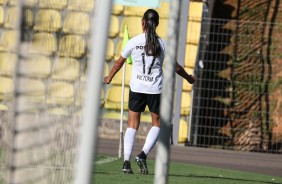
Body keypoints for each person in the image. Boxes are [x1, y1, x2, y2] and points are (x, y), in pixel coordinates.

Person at [104, 9, 195, 175]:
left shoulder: (134, 41)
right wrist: (188, 78)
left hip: (137, 88)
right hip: (155, 89)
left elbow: (118, 63)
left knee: (132, 125)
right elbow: (176, 67)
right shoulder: (163, 44)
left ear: (143, 23)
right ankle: (143, 154)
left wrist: (109, 77)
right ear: (157, 24)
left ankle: (126, 162)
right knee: (158, 124)